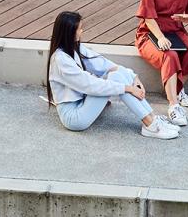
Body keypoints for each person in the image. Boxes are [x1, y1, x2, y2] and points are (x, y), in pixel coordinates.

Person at [45, 11, 180, 139]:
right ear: (69, 33)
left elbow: (104, 64)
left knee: (117, 74)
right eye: (79, 29)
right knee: (117, 80)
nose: (82, 31)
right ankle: (150, 125)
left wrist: (134, 77)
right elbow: (90, 86)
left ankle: (152, 118)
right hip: (74, 117)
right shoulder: (61, 60)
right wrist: (128, 88)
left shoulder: (74, 48)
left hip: (83, 102)